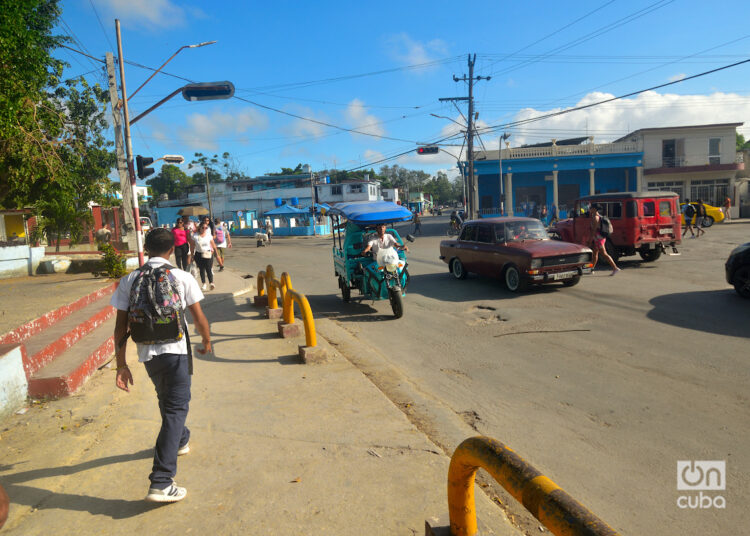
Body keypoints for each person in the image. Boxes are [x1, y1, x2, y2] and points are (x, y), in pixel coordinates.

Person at [111, 227, 211, 503]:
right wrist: (206, 340)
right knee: (177, 407)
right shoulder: (181, 276)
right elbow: (198, 316)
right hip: (176, 350)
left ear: (146, 247)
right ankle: (162, 481)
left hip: (147, 353)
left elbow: (120, 327)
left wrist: (121, 365)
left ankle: (179, 439)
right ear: (171, 249)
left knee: (167, 400)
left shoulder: (130, 279)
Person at [589, 205, 620, 275]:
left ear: (594, 209)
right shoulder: (599, 216)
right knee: (595, 254)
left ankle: (615, 268)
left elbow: (593, 230)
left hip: (598, 239)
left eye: (590, 208)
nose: (589, 210)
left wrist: (590, 239)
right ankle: (591, 269)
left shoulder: (595, 218)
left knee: (604, 254)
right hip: (599, 238)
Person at [192, 221, 217, 290]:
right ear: (199, 228)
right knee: (201, 269)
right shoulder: (195, 235)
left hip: (208, 254)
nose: (204, 229)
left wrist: (215, 252)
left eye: (206, 228)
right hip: (198, 254)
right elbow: (192, 246)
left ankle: (211, 283)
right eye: (203, 227)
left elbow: (213, 244)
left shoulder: (209, 235)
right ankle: (204, 284)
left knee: (208, 269)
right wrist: (192, 255)